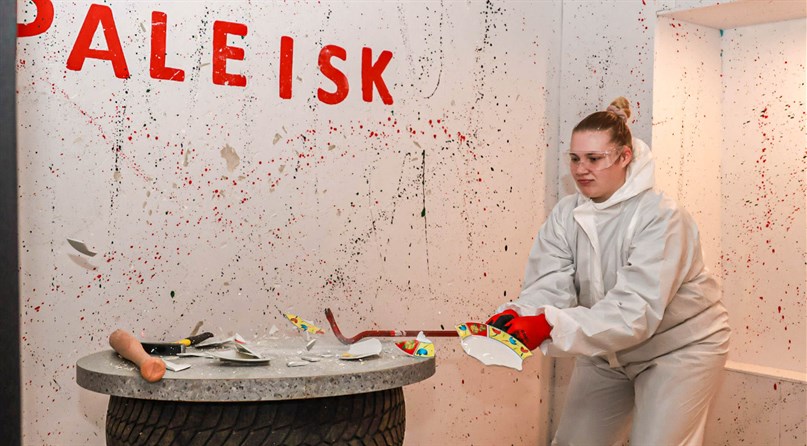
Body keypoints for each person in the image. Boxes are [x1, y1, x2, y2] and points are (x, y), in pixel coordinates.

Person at [487, 97, 730, 446]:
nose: (581, 169)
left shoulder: (661, 217)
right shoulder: (565, 214)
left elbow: (634, 311)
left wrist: (548, 325)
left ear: (624, 157)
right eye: (574, 158)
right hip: (606, 349)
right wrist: (521, 313)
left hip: (678, 348)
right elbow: (550, 283)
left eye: (594, 158)